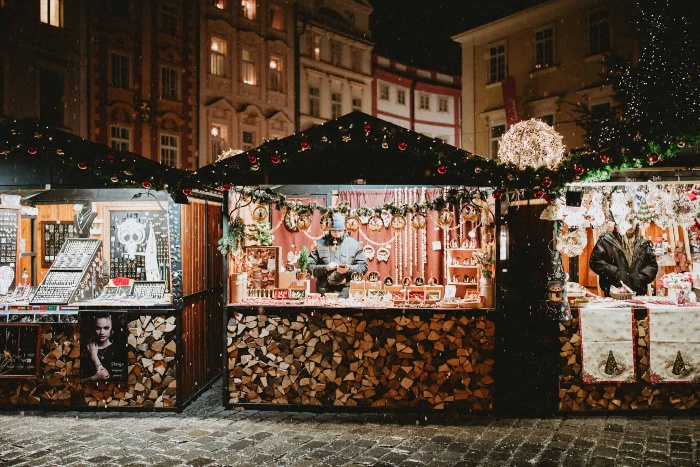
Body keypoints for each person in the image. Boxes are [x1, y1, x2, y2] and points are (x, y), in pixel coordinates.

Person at [590, 219, 658, 297]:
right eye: (628, 221)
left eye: (633, 222)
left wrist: (640, 278)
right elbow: (595, 261)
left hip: (638, 294)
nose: (631, 226)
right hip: (614, 293)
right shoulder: (606, 240)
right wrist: (615, 273)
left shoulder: (643, 243)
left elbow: (652, 266)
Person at [308, 213, 368, 297]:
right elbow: (308, 267)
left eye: (340, 231)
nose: (337, 234)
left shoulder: (355, 245)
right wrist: (325, 268)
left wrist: (349, 269)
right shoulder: (319, 244)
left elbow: (363, 267)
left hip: (346, 294)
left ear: (345, 230)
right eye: (334, 231)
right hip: (324, 293)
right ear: (329, 230)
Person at [81, 314, 127, 383]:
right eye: (98, 328)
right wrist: (93, 378)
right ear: (94, 329)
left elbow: (108, 378)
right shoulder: (86, 349)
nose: (102, 332)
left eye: (106, 328)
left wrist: (94, 356)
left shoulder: (118, 350)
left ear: (111, 329)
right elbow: (78, 380)